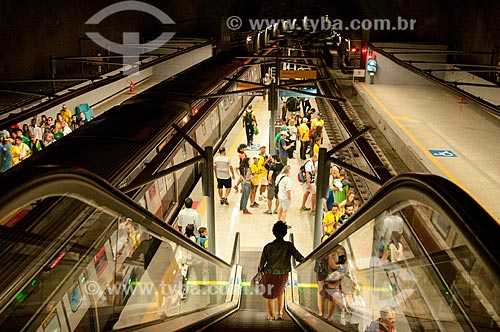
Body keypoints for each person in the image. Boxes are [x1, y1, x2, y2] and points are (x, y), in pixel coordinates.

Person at [258, 221, 304, 320]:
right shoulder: (289, 246)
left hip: (269, 274)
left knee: (269, 295)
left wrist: (260, 271)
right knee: (280, 292)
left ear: (273, 232)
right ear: (285, 233)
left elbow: (261, 263)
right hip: (282, 275)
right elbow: (299, 258)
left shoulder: (268, 246)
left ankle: (271, 316)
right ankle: (279, 314)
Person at [315, 245, 347, 317]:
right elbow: (333, 265)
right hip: (326, 274)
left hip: (331, 275)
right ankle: (324, 315)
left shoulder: (340, 248)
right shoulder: (328, 249)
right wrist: (342, 266)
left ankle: (325, 315)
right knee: (325, 294)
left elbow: (341, 261)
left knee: (328, 295)